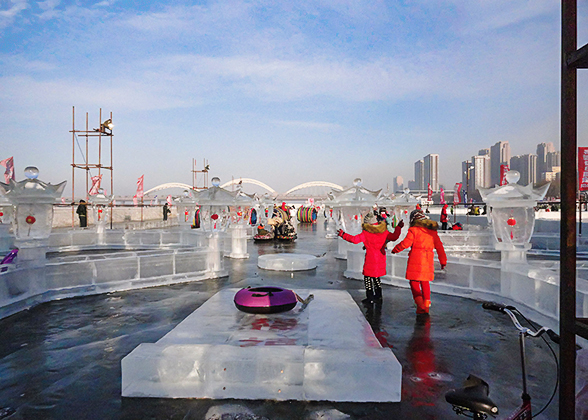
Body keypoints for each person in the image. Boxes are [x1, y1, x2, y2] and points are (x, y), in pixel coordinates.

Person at [338, 213, 404, 304]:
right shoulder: (383, 231)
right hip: (380, 257)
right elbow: (394, 237)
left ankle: (370, 297)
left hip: (370, 259)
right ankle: (378, 296)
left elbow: (354, 240)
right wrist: (398, 227)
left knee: (368, 278)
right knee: (376, 277)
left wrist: (343, 234)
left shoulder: (366, 233)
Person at [392, 208, 447, 315]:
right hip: (427, 260)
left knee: (414, 282)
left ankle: (420, 305)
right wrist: (443, 261)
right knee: (425, 282)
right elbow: (440, 247)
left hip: (415, 260)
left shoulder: (414, 231)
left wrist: (395, 249)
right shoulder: (432, 233)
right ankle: (426, 304)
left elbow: (405, 244)